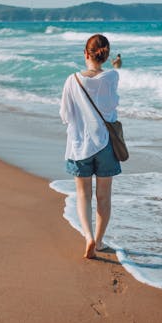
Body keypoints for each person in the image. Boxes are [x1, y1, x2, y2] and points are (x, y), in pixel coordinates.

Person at [60, 34, 121, 259]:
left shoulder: (72, 80)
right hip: (105, 143)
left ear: (86, 54)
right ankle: (100, 241)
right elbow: (113, 103)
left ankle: (88, 237)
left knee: (83, 194)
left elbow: (65, 116)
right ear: (105, 56)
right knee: (104, 197)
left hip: (78, 145)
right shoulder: (112, 76)